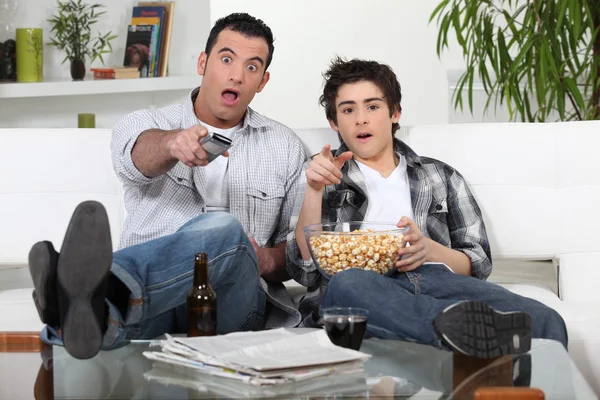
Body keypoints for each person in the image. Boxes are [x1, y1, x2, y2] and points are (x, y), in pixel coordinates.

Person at [28, 12, 307, 360]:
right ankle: (85, 313)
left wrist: (262, 257)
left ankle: (94, 289)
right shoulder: (149, 122)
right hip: (152, 299)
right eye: (226, 59)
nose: (237, 75)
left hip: (233, 306)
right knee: (116, 315)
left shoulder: (286, 147)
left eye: (252, 67)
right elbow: (135, 157)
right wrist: (172, 144)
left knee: (224, 230)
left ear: (262, 81)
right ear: (203, 62)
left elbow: (296, 256)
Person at [286, 57, 568, 358]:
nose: (361, 119)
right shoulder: (320, 173)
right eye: (348, 109)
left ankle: (448, 327)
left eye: (373, 106)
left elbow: (478, 262)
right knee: (347, 285)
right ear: (334, 122)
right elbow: (304, 272)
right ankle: (454, 329)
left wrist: (430, 250)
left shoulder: (440, 176)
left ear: (395, 112)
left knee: (546, 320)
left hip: (438, 281)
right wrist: (315, 190)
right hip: (367, 286)